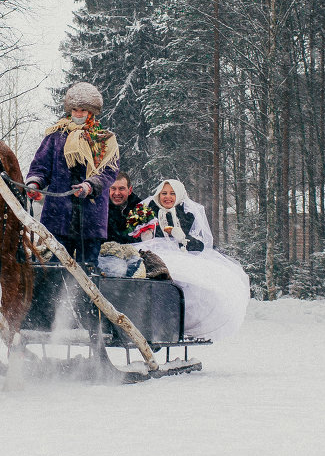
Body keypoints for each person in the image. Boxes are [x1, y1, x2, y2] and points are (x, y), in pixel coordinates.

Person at [137, 179, 250, 341]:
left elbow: (201, 244)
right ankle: (152, 321)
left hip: (181, 255)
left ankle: (177, 323)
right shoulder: (148, 211)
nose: (168, 197)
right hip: (155, 254)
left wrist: (182, 238)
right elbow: (136, 234)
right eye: (164, 193)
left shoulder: (188, 213)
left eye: (172, 193)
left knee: (188, 280)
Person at [25, 82, 120, 271]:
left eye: (83, 110)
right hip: (58, 218)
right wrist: (35, 183)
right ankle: (53, 301)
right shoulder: (55, 136)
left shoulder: (105, 139)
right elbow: (40, 166)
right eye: (74, 109)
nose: (78, 114)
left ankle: (85, 301)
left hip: (91, 220)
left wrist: (90, 186)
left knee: (87, 272)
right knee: (54, 270)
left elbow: (109, 172)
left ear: (91, 111)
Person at [106, 172, 141, 245]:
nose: (117, 193)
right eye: (113, 188)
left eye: (121, 189)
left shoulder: (140, 209)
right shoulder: (101, 209)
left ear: (130, 190)